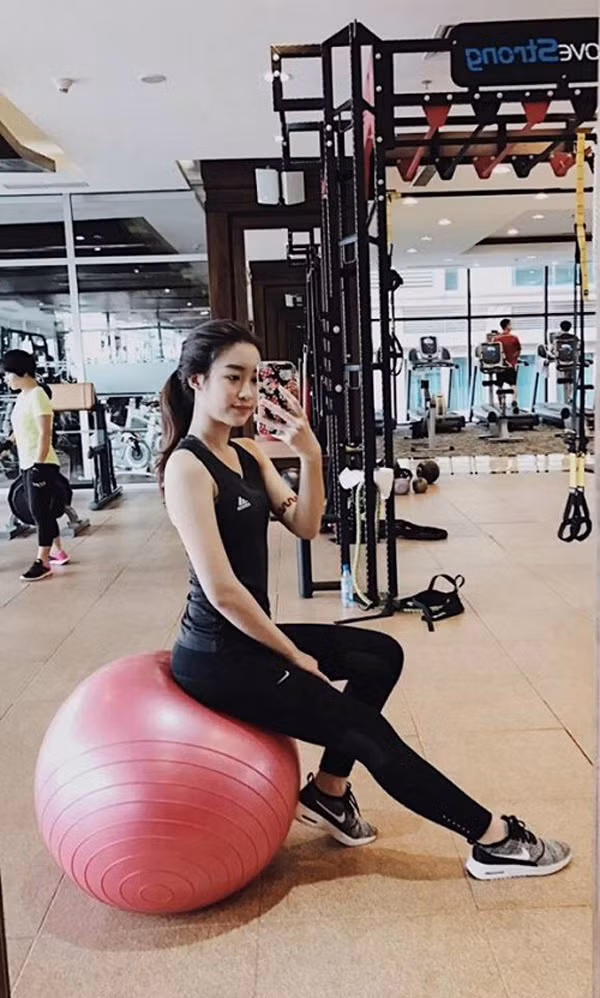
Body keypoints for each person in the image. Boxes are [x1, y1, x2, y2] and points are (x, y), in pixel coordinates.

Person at [158, 319, 571, 880]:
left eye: (254, 378)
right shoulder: (187, 467)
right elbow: (223, 591)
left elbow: (306, 525)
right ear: (196, 380)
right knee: (366, 732)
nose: (248, 393)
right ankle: (493, 840)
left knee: (381, 655)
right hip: (217, 658)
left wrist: (311, 457)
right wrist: (293, 655)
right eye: (234, 378)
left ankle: (328, 792)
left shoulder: (248, 453)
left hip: (249, 643)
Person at [0, 350, 69, 580]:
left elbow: (44, 433)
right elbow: (20, 428)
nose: (5, 379)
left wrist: (39, 465)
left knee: (39, 513)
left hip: (42, 463)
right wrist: (7, 444)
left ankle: (43, 562)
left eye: (8, 374)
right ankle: (58, 552)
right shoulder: (23, 396)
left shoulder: (38, 395)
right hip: (28, 462)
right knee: (42, 511)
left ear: (22, 372)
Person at [494, 319, 522, 412]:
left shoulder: (497, 339)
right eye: (510, 324)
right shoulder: (514, 338)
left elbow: (496, 352)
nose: (511, 326)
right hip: (511, 365)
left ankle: (501, 403)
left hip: (501, 365)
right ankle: (514, 400)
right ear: (507, 326)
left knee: (500, 386)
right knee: (513, 385)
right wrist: (514, 359)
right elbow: (519, 350)